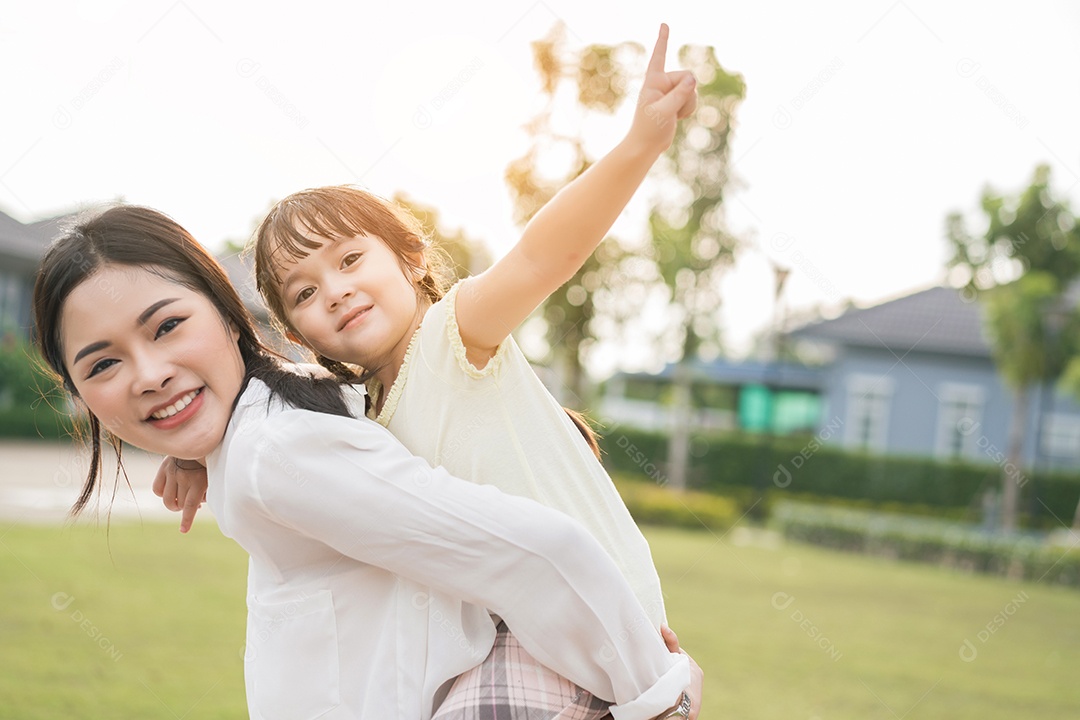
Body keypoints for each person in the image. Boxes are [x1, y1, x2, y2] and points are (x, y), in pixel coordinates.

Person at [159, 23, 700, 715]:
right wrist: (203, 449)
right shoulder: (359, 410)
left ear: (409, 256)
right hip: (527, 627)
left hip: (590, 623)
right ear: (297, 331)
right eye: (305, 291)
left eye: (350, 259)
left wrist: (640, 144)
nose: (337, 289)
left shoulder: (455, 335)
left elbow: (545, 255)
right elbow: (268, 406)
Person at [32, 205, 701, 719]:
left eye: (167, 325)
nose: (147, 373)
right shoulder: (274, 432)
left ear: (227, 312)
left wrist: (658, 693)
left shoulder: (277, 453)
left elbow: (535, 550)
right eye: (104, 363)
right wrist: (202, 453)